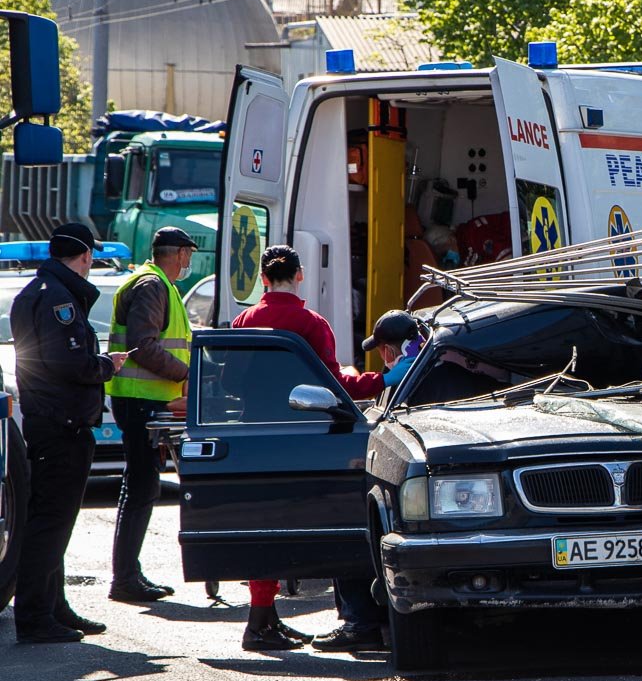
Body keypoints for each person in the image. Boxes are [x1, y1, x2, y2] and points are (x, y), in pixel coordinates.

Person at [230, 246, 412, 650]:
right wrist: (383, 379)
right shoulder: (311, 323)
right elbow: (336, 388)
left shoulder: (244, 320)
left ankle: (262, 619)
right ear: (300, 275)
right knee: (325, 524)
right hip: (302, 438)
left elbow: (229, 382)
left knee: (266, 525)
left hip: (253, 438)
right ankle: (345, 621)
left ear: (262, 278)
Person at [10, 224, 128, 643]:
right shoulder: (59, 299)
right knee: (51, 523)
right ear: (85, 257)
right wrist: (108, 366)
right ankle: (35, 616)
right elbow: (71, 364)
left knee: (54, 522)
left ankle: (52, 607)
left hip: (51, 421)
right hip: (61, 425)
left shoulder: (39, 291)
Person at [311, 308, 422, 654]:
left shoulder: (410, 379)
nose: (382, 358)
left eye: (383, 351)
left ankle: (359, 623)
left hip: (397, 487)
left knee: (346, 529)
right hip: (401, 488)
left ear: (392, 350)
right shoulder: (420, 368)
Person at [106, 226, 197, 603]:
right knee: (141, 488)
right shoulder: (152, 285)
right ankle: (125, 578)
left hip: (144, 401)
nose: (189, 261)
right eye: (188, 254)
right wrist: (186, 373)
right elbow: (143, 346)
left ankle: (127, 575)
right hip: (142, 402)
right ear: (177, 254)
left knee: (141, 486)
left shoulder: (157, 284)